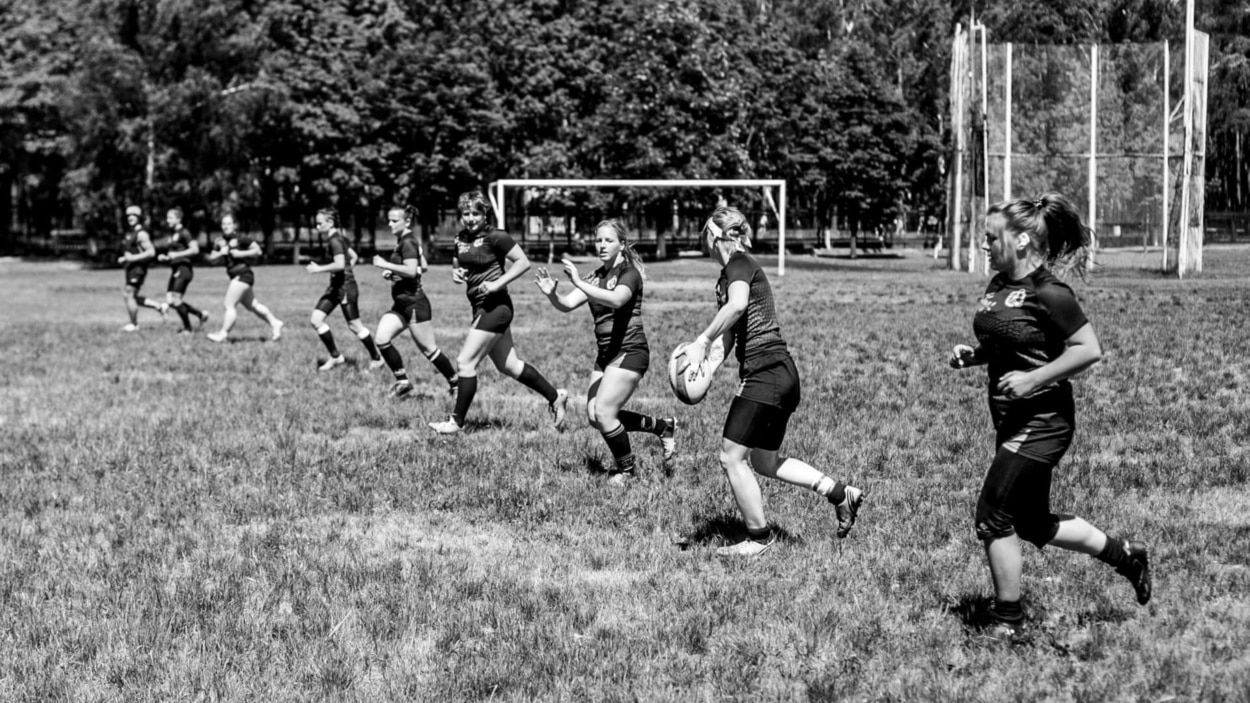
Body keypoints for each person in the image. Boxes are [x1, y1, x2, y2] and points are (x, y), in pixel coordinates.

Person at [949, 192, 1150, 634]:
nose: (983, 245)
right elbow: (1014, 340)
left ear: (1021, 241)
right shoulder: (999, 284)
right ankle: (1126, 555)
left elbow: (1088, 350)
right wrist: (978, 356)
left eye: (990, 237)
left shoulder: (1050, 291)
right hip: (1010, 418)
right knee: (1033, 524)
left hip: (1044, 420)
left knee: (992, 516)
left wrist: (1033, 380)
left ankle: (1010, 622)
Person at [681, 205, 863, 557]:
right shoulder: (728, 274)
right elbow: (733, 332)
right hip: (779, 373)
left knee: (731, 458)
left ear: (715, 235)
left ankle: (759, 539)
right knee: (765, 462)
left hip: (767, 372)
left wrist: (701, 340)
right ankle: (841, 493)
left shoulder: (739, 263)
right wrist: (706, 367)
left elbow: (736, 307)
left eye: (704, 232)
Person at [535, 219, 677, 483]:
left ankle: (627, 471)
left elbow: (617, 299)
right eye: (598, 239)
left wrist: (578, 281)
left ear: (621, 244)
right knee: (595, 416)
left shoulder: (629, 273)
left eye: (608, 240)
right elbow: (566, 304)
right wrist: (552, 295)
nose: (601, 244)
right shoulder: (596, 276)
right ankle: (662, 426)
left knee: (604, 413)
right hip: (606, 355)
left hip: (630, 351)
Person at [428, 190, 567, 434]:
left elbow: (523, 262)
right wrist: (456, 273)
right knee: (509, 366)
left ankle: (456, 422)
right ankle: (556, 396)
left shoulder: (496, 236)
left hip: (496, 307)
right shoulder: (460, 238)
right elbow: (457, 263)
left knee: (465, 362)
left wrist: (498, 283)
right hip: (479, 306)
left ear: (484, 214)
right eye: (466, 213)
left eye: (476, 213)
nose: (470, 218)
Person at [369, 205, 458, 398]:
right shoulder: (405, 240)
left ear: (407, 222)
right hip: (401, 304)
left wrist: (385, 264)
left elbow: (411, 270)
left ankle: (455, 383)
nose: (390, 224)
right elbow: (422, 267)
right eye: (389, 220)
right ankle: (403, 382)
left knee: (429, 350)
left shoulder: (407, 242)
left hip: (414, 304)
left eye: (394, 221)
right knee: (382, 339)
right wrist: (393, 271)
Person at [303, 208, 383, 371]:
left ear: (330, 223)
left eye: (320, 224)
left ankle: (377, 358)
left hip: (345, 288)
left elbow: (340, 264)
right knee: (316, 320)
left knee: (355, 326)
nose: (317, 227)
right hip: (335, 287)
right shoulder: (339, 238)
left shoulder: (335, 241)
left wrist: (319, 269)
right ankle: (336, 357)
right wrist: (346, 271)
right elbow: (353, 257)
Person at [205, 213, 284, 342]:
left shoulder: (241, 239)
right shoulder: (219, 241)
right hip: (236, 276)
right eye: (223, 224)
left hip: (243, 274)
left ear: (234, 225)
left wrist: (240, 253)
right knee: (253, 306)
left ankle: (223, 334)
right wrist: (220, 253)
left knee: (229, 304)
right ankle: (275, 323)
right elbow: (211, 258)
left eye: (229, 224)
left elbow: (258, 251)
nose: (226, 226)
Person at [156, 207, 209, 334]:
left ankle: (188, 328)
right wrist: (166, 257)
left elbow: (195, 250)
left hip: (184, 269)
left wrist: (177, 255)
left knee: (176, 300)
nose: (167, 220)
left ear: (178, 219)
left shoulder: (184, 232)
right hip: (175, 268)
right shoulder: (172, 233)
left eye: (170, 218)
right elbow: (175, 252)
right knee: (170, 300)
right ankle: (200, 314)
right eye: (167, 217)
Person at [117, 205, 166, 331]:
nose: (130, 218)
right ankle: (159, 306)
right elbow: (132, 252)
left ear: (139, 217)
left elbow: (151, 252)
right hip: (131, 268)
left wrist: (132, 259)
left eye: (133, 215)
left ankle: (134, 324)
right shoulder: (131, 233)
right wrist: (124, 259)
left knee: (129, 294)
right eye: (128, 216)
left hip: (138, 269)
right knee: (130, 296)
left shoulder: (142, 234)